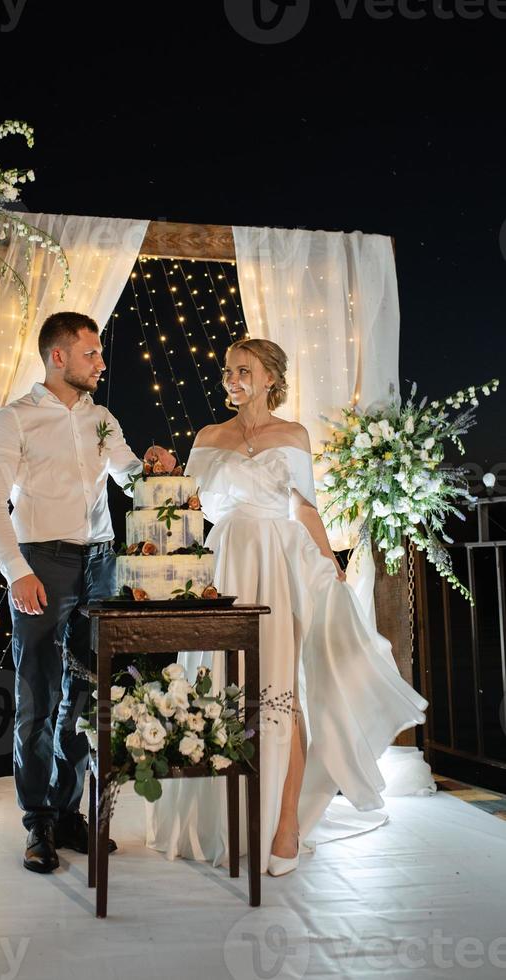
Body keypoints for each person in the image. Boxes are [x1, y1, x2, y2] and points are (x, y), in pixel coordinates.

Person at [145, 337, 429, 876]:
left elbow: (305, 509)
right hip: (224, 564)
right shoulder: (208, 436)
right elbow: (190, 509)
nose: (232, 379)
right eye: (228, 370)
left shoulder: (292, 434)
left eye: (243, 370)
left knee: (281, 693)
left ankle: (285, 825)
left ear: (270, 377)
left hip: (278, 566)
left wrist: (331, 565)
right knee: (221, 689)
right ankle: (221, 817)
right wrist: (162, 473)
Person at [0, 311, 155, 874]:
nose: (101, 363)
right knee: (38, 693)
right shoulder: (14, 420)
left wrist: (151, 467)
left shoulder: (102, 417)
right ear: (59, 357)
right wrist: (16, 570)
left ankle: (70, 810)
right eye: (91, 353)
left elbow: (128, 475)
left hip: (100, 565)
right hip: (41, 563)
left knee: (86, 695)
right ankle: (38, 823)